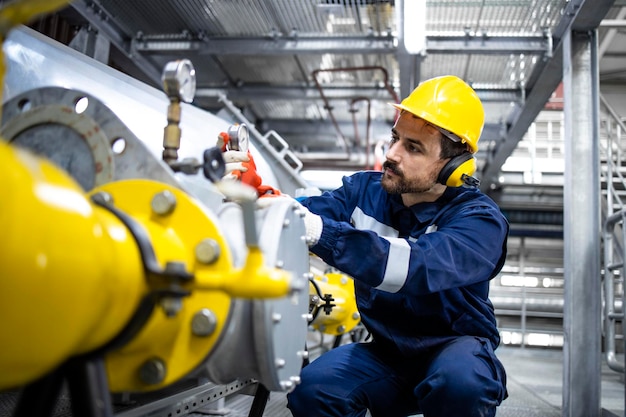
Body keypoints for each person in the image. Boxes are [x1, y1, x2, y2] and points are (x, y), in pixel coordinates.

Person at [221, 75, 509, 417]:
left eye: (413, 147)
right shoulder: (366, 191)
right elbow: (303, 214)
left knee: (461, 384)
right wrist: (258, 194)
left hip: (455, 352)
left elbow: (415, 267)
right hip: (387, 354)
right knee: (313, 389)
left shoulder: (479, 221)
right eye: (395, 138)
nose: (391, 154)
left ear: (453, 166)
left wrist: (321, 233)